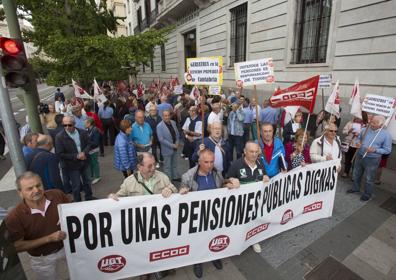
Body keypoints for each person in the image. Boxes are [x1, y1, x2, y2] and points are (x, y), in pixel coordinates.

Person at [108, 153, 177, 280]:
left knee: (160, 245)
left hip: (159, 222)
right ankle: (144, 271)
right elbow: (119, 196)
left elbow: (173, 188)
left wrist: (171, 190)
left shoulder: (162, 177)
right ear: (140, 167)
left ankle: (161, 267)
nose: (153, 168)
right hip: (140, 224)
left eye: (154, 164)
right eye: (149, 166)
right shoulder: (129, 182)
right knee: (142, 249)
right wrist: (112, 197)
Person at [179, 149, 240, 278]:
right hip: (197, 217)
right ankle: (197, 262)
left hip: (214, 215)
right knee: (197, 239)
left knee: (214, 236)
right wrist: (183, 191)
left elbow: (221, 186)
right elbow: (181, 195)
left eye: (212, 162)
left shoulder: (216, 172)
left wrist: (227, 185)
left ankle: (214, 256)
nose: (209, 165)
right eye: (206, 162)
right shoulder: (188, 176)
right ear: (199, 162)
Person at [5, 172, 70, 280]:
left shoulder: (58, 195)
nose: (36, 190)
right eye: (30, 188)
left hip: (67, 248)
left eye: (38, 185)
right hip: (42, 259)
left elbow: (75, 212)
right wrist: (49, 238)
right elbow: (17, 246)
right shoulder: (14, 217)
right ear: (20, 193)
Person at [226, 141, 269, 253]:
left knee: (254, 221)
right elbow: (224, 182)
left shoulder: (260, 163)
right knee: (240, 225)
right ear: (245, 151)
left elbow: (264, 176)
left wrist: (265, 177)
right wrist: (231, 181)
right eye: (251, 151)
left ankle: (253, 240)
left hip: (256, 202)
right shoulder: (236, 165)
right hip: (240, 203)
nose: (254, 154)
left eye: (256, 152)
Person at [347, 115, 392, 201]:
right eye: (371, 121)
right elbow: (358, 139)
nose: (371, 124)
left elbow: (387, 150)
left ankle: (367, 194)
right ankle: (355, 188)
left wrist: (375, 150)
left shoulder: (386, 135)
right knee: (356, 173)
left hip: (373, 159)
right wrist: (357, 143)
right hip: (360, 155)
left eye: (374, 123)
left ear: (381, 125)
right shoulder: (365, 129)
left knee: (369, 178)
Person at [55, 115, 95, 202]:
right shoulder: (59, 137)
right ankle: (78, 202)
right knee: (76, 185)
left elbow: (89, 144)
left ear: (74, 124)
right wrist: (76, 156)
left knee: (87, 181)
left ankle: (89, 197)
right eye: (64, 125)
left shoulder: (82, 132)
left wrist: (84, 152)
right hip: (72, 165)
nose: (67, 127)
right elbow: (60, 153)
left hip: (84, 162)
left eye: (69, 125)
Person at [157, 110, 181, 181]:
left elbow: (177, 134)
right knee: (167, 166)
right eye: (165, 116)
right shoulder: (159, 126)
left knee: (174, 164)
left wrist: (177, 142)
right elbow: (161, 139)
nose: (167, 117)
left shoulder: (173, 122)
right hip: (167, 149)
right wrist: (172, 145)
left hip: (175, 148)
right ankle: (168, 180)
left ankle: (175, 177)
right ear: (162, 116)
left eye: (168, 115)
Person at [85, 118, 101, 184]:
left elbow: (96, 142)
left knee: (95, 163)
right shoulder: (89, 129)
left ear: (89, 123)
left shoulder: (95, 130)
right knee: (91, 163)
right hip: (90, 150)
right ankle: (92, 175)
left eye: (85, 123)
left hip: (94, 150)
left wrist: (87, 142)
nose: (84, 124)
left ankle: (97, 177)